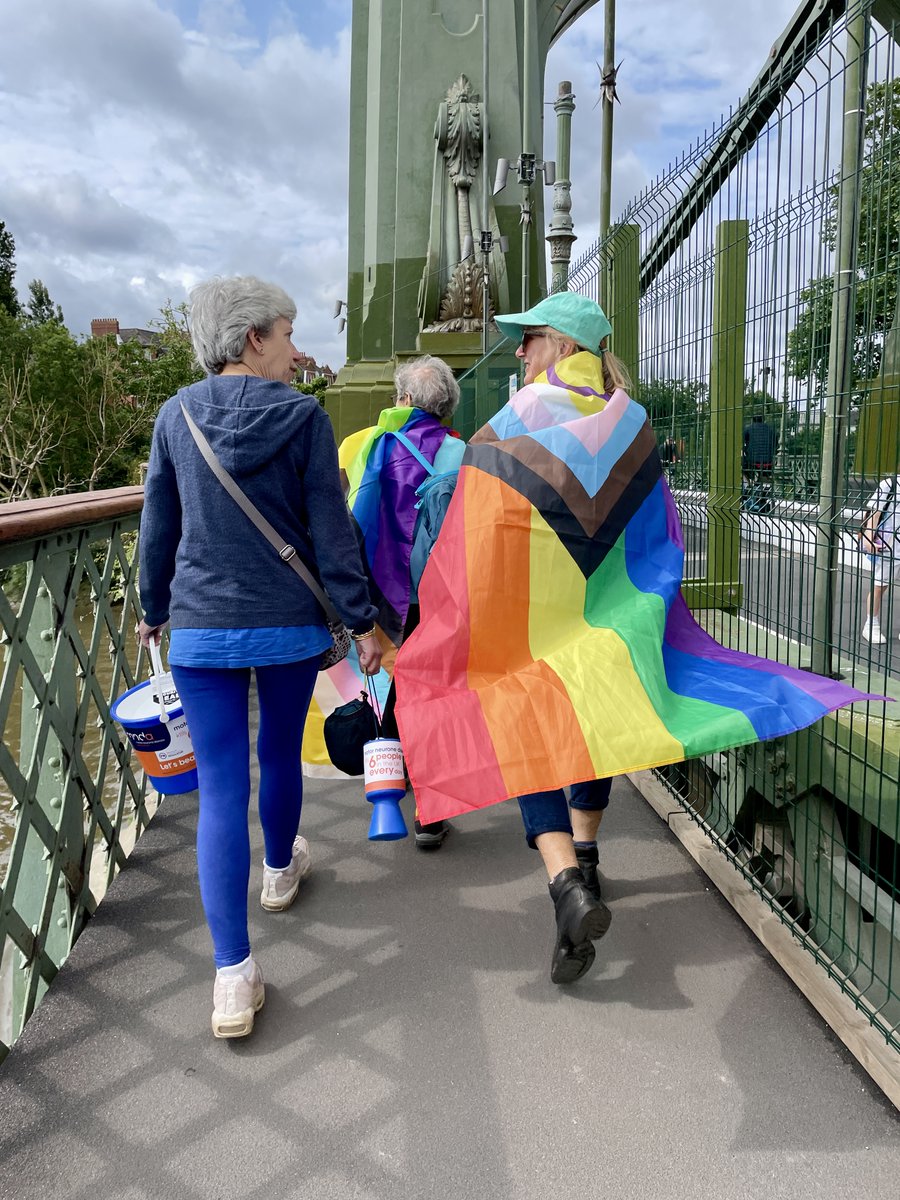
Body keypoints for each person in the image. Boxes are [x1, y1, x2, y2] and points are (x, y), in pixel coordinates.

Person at [138, 276, 382, 1040]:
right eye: (285, 332)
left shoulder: (174, 417)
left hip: (204, 631)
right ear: (253, 339)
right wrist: (362, 618)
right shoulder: (304, 418)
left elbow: (158, 525)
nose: (293, 349)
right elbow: (329, 531)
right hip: (285, 627)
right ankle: (279, 871)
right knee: (278, 754)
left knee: (219, 789)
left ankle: (233, 977)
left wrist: (153, 609)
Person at [493, 294, 629, 985]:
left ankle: (566, 884)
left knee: (531, 742)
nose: (519, 353)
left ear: (562, 345)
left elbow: (478, 513)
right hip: (607, 612)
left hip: (533, 612)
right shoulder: (626, 420)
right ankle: (589, 857)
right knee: (590, 729)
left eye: (529, 339)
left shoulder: (522, 416)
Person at [339, 355, 465, 848]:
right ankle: (430, 813)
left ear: (406, 400)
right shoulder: (462, 452)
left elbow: (353, 515)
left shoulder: (374, 444)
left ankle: (390, 788)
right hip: (443, 591)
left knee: (403, 682)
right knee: (434, 688)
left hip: (386, 590)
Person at [860, 474, 899, 644]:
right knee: (879, 586)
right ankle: (871, 625)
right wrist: (869, 536)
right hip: (889, 544)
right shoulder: (890, 484)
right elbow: (874, 513)